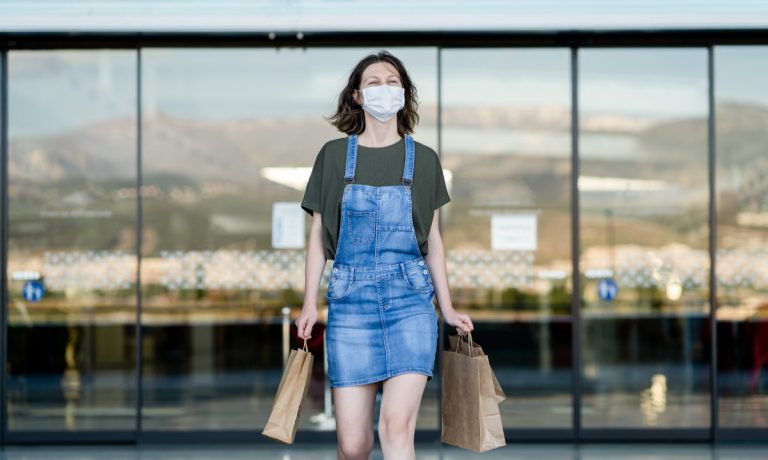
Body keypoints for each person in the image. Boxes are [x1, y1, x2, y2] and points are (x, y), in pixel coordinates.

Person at [296, 50, 474, 460]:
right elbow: (318, 236)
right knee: (353, 445)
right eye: (373, 82)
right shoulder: (333, 156)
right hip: (350, 305)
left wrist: (446, 307)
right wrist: (309, 303)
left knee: (396, 429)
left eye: (392, 81)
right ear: (358, 96)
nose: (384, 89)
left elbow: (434, 240)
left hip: (409, 303)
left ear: (404, 92)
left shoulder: (424, 159)